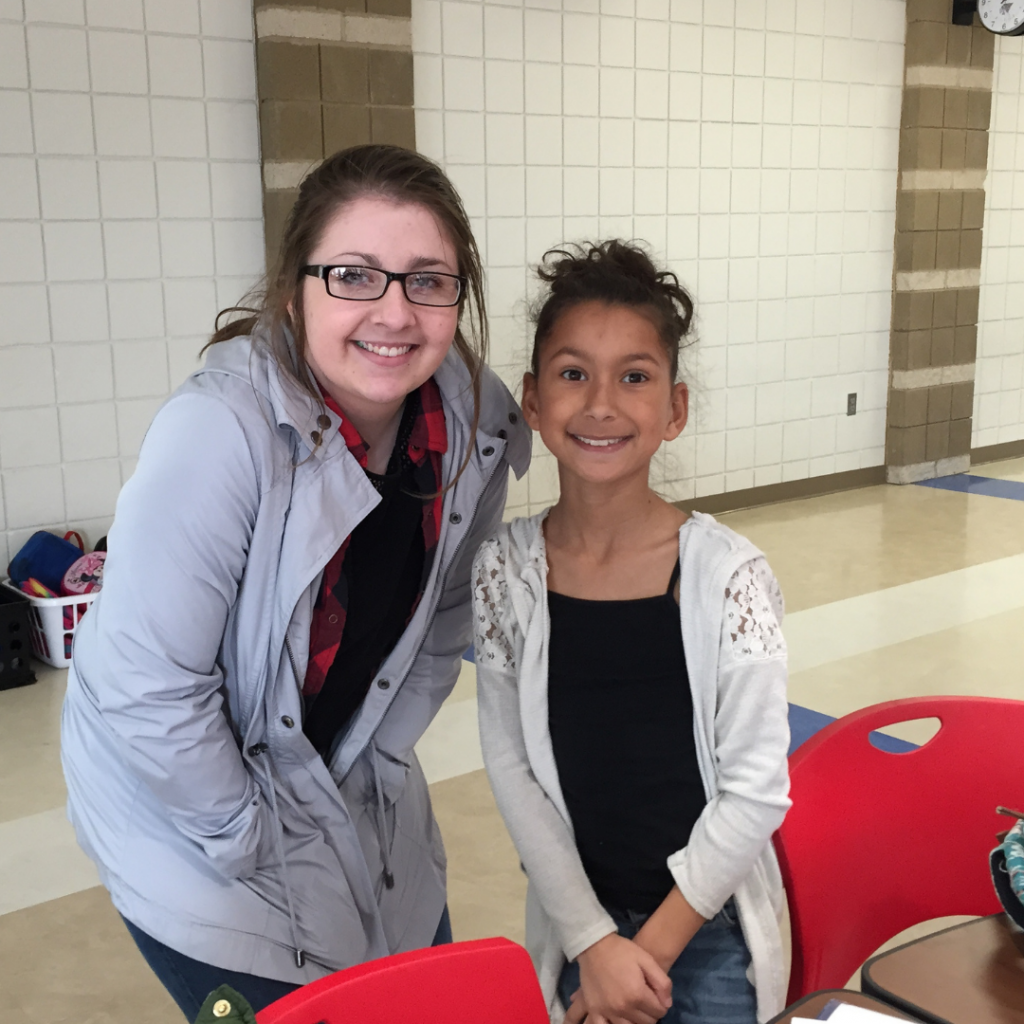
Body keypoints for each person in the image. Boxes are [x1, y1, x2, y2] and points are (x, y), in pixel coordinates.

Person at [60, 144, 530, 1020]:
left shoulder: (473, 418)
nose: (394, 311)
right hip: (190, 816)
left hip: (343, 775)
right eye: (354, 275)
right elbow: (145, 688)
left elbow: (442, 624)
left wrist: (381, 755)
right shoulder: (219, 435)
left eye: (427, 280)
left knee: (420, 993)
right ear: (294, 290)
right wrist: (245, 834)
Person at [472, 241, 791, 1024]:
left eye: (635, 377)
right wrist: (592, 941)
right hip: (576, 926)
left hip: (707, 929)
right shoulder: (505, 572)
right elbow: (513, 770)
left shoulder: (729, 577)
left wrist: (642, 955)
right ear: (534, 402)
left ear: (674, 409)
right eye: (574, 373)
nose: (602, 403)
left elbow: (756, 791)